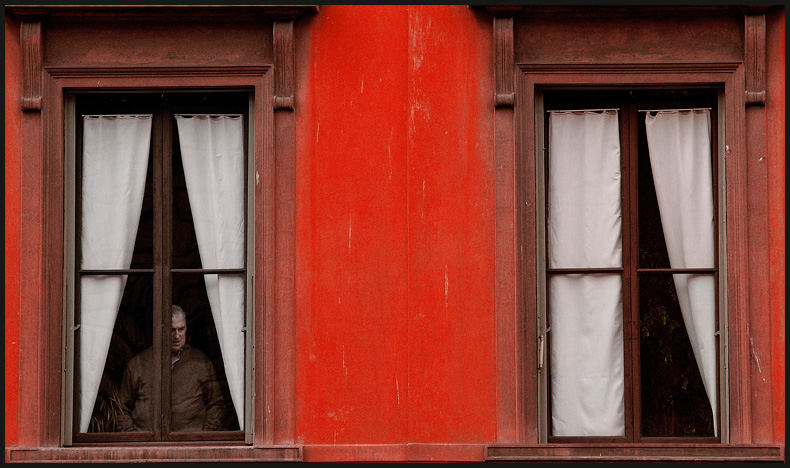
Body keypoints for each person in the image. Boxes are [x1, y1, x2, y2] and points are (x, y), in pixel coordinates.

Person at [117, 305, 225, 432]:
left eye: (181, 329)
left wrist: (204, 436)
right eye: (172, 330)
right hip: (146, 445)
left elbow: (217, 405)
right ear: (161, 329)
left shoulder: (200, 362)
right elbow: (121, 408)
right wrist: (134, 439)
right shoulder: (138, 364)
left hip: (191, 445)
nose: (177, 336)